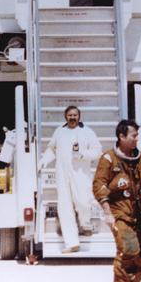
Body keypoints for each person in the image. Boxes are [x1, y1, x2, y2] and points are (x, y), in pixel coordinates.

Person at [92, 119, 141, 282]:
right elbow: (99, 186)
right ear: (121, 136)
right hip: (121, 213)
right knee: (128, 248)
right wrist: (107, 213)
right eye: (134, 135)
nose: (137, 139)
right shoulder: (109, 159)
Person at [38, 106, 101, 254]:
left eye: (75, 115)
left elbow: (97, 151)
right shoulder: (59, 131)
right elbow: (52, 149)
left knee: (83, 202)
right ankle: (72, 243)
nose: (72, 117)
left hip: (80, 174)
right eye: (70, 115)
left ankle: (85, 223)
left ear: (79, 116)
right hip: (62, 173)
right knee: (65, 207)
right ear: (65, 116)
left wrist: (83, 155)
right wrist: (43, 160)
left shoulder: (87, 132)